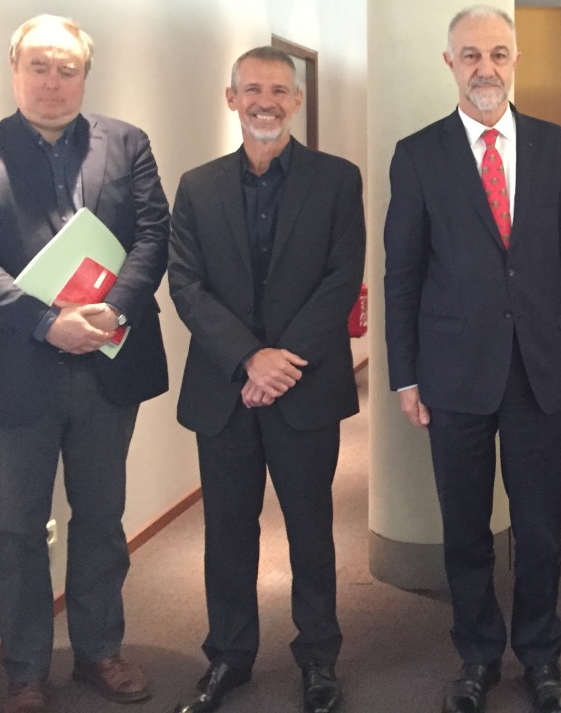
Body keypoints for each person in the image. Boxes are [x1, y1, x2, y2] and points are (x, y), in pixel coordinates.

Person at [0, 14, 169, 713]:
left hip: (107, 362)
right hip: (15, 370)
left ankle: (100, 651)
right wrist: (47, 322)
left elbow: (153, 235)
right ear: (14, 70)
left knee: (101, 519)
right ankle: (25, 671)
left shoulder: (126, 143)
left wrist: (110, 313)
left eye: (67, 68)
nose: (52, 80)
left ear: (84, 75)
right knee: (17, 530)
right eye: (39, 65)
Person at [384, 5, 561, 713]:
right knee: (465, 530)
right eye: (470, 55)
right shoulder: (418, 153)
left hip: (538, 370)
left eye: (498, 53)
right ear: (449, 64)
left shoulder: (559, 148)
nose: (485, 68)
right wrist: (403, 372)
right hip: (452, 374)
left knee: (539, 529)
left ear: (516, 59)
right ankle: (476, 655)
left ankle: (540, 654)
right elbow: (401, 271)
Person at [167, 46, 364, 713]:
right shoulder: (197, 186)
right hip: (225, 390)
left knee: (311, 528)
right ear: (231, 99)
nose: (266, 102)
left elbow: (341, 280)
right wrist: (249, 359)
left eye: (280, 90)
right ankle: (229, 656)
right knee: (226, 530)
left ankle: (318, 660)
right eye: (253, 89)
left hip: (304, 387)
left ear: (297, 101)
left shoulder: (338, 179)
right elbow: (186, 285)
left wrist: (281, 363)